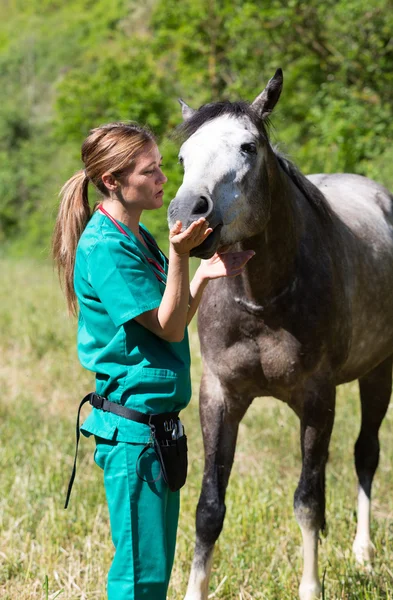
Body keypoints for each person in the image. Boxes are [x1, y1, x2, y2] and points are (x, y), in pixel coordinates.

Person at [52, 121, 254, 600]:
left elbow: (175, 316)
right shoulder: (106, 248)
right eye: (151, 171)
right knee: (139, 577)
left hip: (156, 430)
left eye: (163, 166)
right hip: (133, 436)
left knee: (155, 571)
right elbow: (167, 327)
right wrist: (183, 256)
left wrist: (204, 274)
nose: (165, 179)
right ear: (113, 182)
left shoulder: (136, 239)